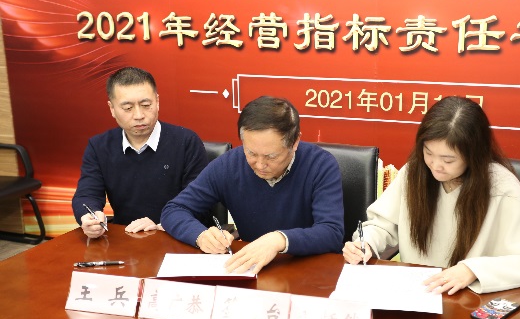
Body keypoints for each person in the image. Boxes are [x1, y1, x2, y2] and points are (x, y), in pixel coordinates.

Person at [342, 96, 520, 294]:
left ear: (474, 155)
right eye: (428, 153)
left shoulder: (502, 189)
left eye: (448, 160)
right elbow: (383, 226)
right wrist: (366, 243)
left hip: (471, 299)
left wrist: (472, 270)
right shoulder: (414, 173)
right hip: (419, 293)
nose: (435, 165)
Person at [161, 95, 344, 274]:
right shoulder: (229, 165)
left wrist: (279, 240)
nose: (260, 165)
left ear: (295, 142)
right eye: (251, 153)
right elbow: (174, 209)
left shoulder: (320, 165)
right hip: (253, 271)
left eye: (271, 156)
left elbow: (331, 232)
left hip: (308, 271)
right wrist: (200, 235)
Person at [72, 66, 208, 238]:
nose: (139, 115)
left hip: (177, 237)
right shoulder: (99, 146)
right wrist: (90, 217)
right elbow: (86, 194)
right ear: (112, 108)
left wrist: (162, 225)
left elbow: (199, 201)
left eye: (146, 105)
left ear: (157, 101)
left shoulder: (186, 142)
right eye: (128, 108)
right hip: (126, 238)